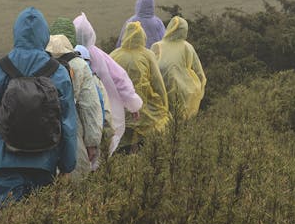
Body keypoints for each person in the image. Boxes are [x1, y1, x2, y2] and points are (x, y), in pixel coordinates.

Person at [0, 7, 77, 209]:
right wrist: (67, 165)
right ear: (44, 35)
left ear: (16, 33)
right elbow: (68, 123)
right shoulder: (58, 73)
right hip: (44, 164)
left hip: (2, 164)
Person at [73, 13, 143, 155]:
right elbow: (121, 80)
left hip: (78, 118)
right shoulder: (100, 56)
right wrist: (133, 105)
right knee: (103, 156)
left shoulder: (68, 55)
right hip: (107, 114)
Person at [46, 33, 102, 180]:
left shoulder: (38, 65)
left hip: (41, 143)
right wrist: (92, 143)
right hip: (73, 137)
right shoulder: (80, 65)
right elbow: (89, 107)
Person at [110, 21, 169, 152]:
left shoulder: (113, 55)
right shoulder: (147, 55)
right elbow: (158, 83)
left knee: (122, 143)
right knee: (146, 142)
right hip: (145, 110)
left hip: (120, 110)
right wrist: (165, 105)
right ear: (142, 37)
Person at [152, 16, 207, 121]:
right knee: (183, 122)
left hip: (162, 90)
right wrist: (200, 90)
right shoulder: (187, 47)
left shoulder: (157, 46)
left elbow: (151, 70)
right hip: (185, 92)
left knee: (166, 122)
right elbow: (199, 72)